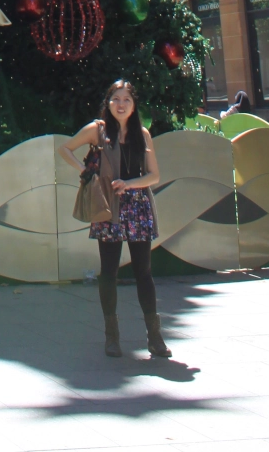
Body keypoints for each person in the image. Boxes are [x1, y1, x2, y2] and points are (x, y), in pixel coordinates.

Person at [62, 79, 169, 358]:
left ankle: (154, 336)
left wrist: (130, 184)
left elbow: (154, 175)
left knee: (143, 271)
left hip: (137, 206)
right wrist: (85, 171)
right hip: (108, 206)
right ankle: (112, 335)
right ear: (108, 103)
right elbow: (64, 148)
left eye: (126, 100)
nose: (121, 105)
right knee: (108, 270)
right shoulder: (97, 131)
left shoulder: (142, 134)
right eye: (115, 99)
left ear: (134, 106)